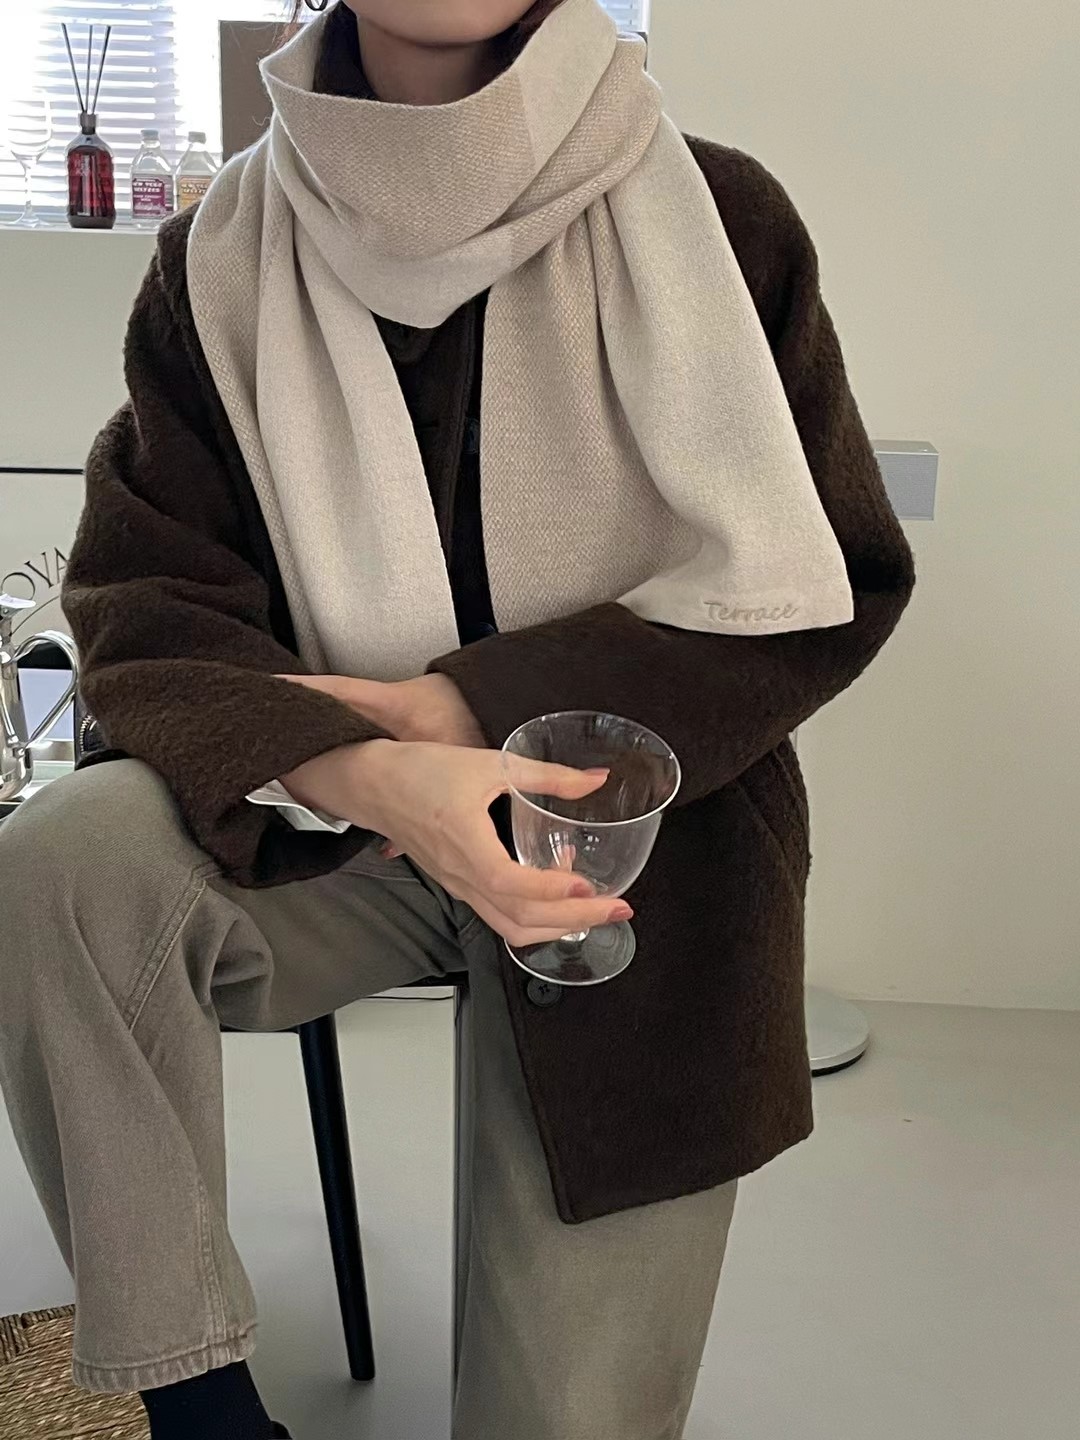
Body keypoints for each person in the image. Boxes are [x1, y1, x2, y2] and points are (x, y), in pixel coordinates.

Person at [0, 1, 915, 1437]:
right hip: (325, 829)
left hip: (637, 849)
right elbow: (142, 598)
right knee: (68, 862)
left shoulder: (715, 217)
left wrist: (470, 710)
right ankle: (201, 1410)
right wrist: (366, 771)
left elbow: (823, 580)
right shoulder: (217, 255)